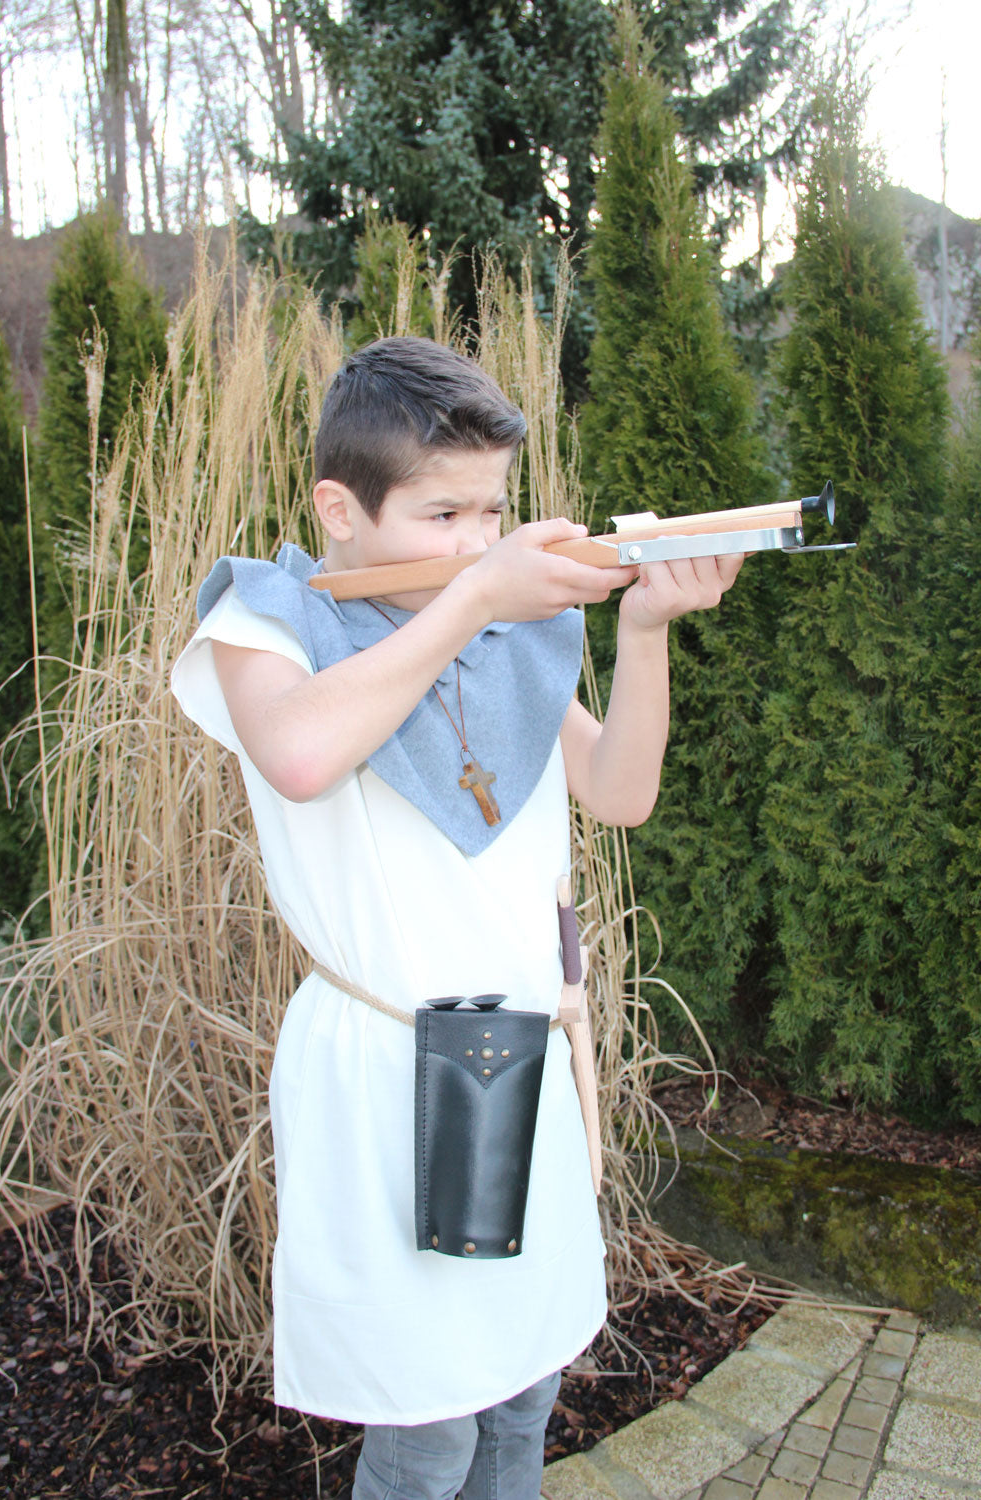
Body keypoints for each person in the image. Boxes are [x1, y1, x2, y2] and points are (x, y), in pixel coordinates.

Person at [171, 336, 742, 1500]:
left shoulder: (509, 631)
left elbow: (619, 793)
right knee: (425, 1432)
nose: (478, 542)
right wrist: (478, 595)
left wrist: (642, 636)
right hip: (385, 1076)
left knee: (524, 1399)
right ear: (341, 506)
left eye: (492, 513)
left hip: (518, 1066)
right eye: (442, 515)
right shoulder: (266, 620)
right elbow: (299, 753)